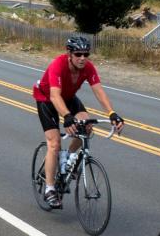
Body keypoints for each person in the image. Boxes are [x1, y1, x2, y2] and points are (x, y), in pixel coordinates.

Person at [31, 35, 123, 209]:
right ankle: (49, 189)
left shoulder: (88, 67)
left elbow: (99, 91)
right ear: (69, 53)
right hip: (46, 99)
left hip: (69, 97)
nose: (82, 58)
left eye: (86, 54)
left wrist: (112, 113)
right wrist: (66, 117)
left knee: (86, 126)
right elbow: (54, 96)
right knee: (54, 143)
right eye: (78, 54)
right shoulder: (58, 65)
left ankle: (69, 156)